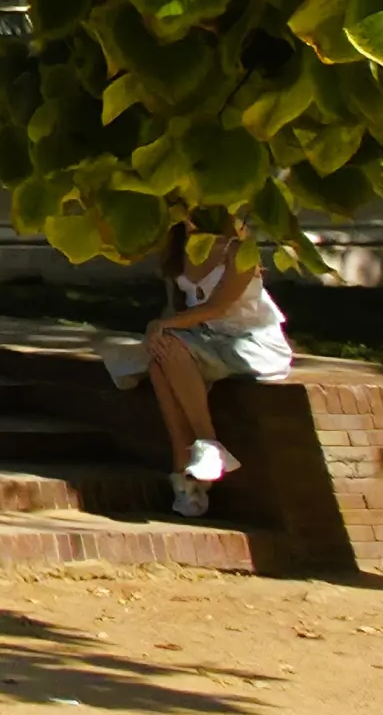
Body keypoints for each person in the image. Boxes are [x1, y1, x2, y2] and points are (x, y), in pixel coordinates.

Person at [115, 212, 292, 518]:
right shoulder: (177, 252)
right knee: (159, 359)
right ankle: (184, 465)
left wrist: (165, 325)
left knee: (167, 347)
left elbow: (218, 306)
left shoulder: (238, 250)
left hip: (252, 344)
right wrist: (158, 331)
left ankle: (207, 443)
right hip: (209, 340)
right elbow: (176, 310)